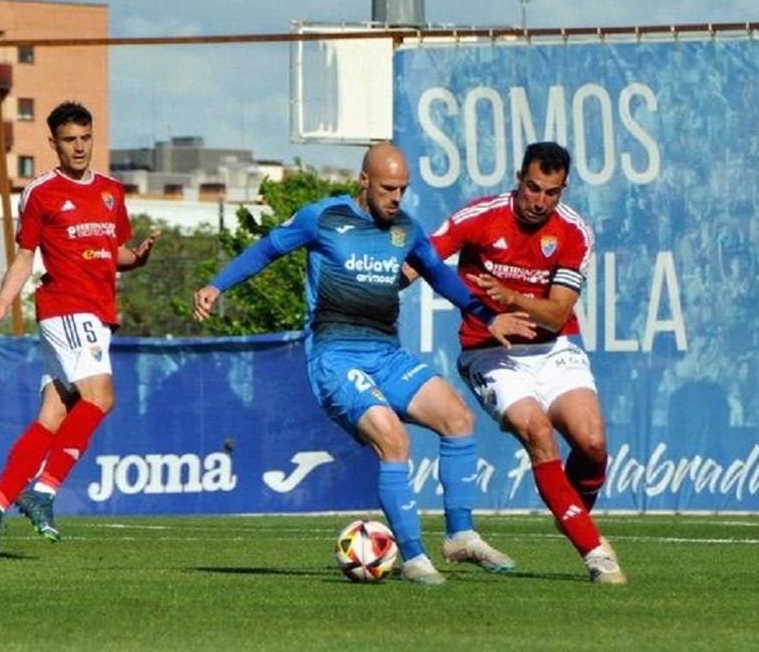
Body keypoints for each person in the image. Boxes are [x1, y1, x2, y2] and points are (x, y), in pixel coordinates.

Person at [192, 143, 534, 585]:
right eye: (389, 188)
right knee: (393, 439)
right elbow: (267, 249)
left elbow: (440, 275)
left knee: (458, 417)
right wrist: (216, 286)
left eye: (403, 189)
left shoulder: (405, 230)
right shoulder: (324, 218)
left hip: (386, 354)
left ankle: (461, 535)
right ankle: (413, 558)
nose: (396, 197)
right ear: (364, 181)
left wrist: (488, 316)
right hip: (334, 356)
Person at [421, 142, 626, 584]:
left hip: (554, 350)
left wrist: (511, 296)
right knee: (537, 431)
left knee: (592, 444)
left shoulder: (574, 232)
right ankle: (595, 553)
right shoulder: (478, 217)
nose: (540, 201)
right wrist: (378, 285)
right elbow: (423, 256)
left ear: (563, 190)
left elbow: (555, 313)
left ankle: (571, 513)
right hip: (490, 352)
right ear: (519, 178)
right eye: (533, 188)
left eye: (551, 193)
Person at [0, 101, 160, 558]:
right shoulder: (41, 193)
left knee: (52, 417)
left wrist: (140, 257)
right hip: (67, 310)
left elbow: (116, 254)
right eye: (69, 139)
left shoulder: (112, 192)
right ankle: (45, 492)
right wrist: (1, 300)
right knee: (101, 397)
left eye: (85, 138)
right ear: (53, 143)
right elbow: (24, 256)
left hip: (97, 314)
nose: (79, 147)